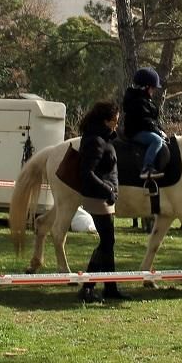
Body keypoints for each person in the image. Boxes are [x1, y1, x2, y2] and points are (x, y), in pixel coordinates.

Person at [77, 101, 128, 303]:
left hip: (105, 196)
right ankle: (88, 287)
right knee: (107, 242)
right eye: (114, 121)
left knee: (108, 243)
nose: (117, 125)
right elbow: (86, 173)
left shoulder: (104, 138)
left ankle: (110, 287)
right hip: (98, 197)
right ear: (105, 120)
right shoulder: (95, 141)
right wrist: (107, 189)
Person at [122, 67, 167, 178]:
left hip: (142, 129)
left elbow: (152, 121)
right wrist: (159, 133)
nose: (153, 91)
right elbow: (146, 122)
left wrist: (161, 130)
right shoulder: (138, 101)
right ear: (146, 87)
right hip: (135, 132)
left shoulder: (143, 99)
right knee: (156, 141)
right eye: (152, 88)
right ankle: (147, 168)